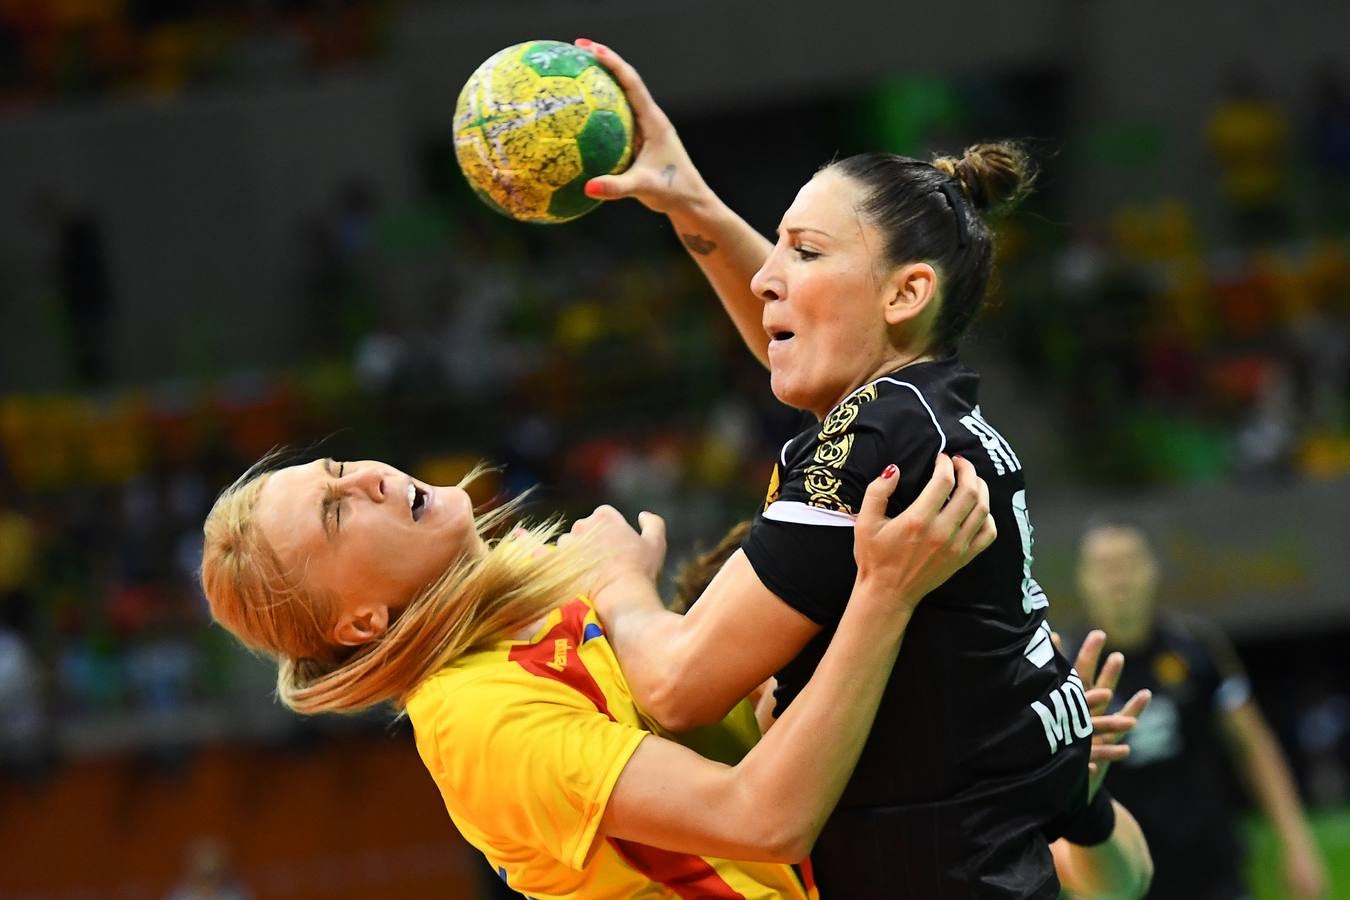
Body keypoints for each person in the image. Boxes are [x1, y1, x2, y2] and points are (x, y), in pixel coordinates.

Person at [570, 38, 1150, 898]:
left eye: (804, 252)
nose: (766, 278)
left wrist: (616, 581)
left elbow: (678, 684)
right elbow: (1128, 879)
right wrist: (688, 200)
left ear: (907, 293)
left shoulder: (879, 437)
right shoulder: (932, 419)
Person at [201, 449, 1007, 898]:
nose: (368, 479)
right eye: (336, 512)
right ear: (362, 623)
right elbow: (763, 817)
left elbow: (734, 734)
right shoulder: (476, 720)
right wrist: (885, 592)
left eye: (338, 467)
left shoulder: (541, 576)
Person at [1077, 515, 1328, 900]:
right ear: (1083, 580)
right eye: (1104, 567)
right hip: (1120, 881)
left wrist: (1297, 843)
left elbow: (1253, 744)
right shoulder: (1068, 668)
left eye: (1128, 563)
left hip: (1214, 873)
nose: (1118, 579)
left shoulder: (1196, 647)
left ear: (1152, 570)